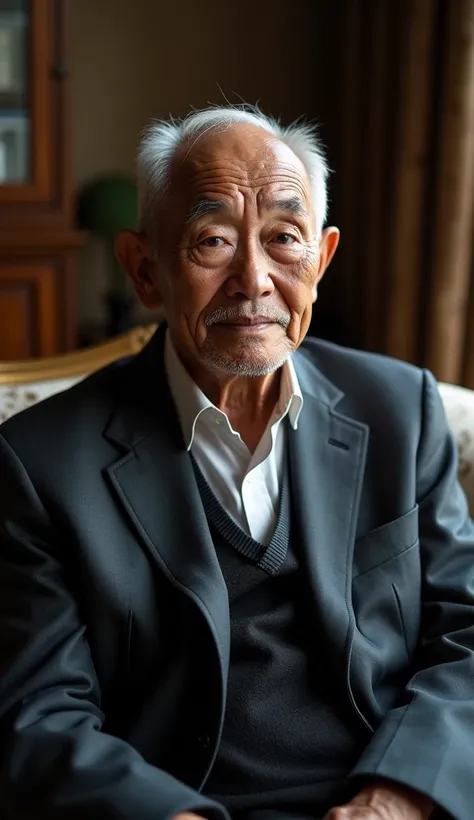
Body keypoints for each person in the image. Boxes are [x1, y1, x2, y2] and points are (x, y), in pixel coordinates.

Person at [0, 105, 473, 820]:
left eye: (285, 237)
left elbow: (464, 632)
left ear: (322, 258)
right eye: (212, 240)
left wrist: (394, 800)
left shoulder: (398, 410)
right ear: (145, 270)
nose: (254, 279)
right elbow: (39, 711)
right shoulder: (38, 462)